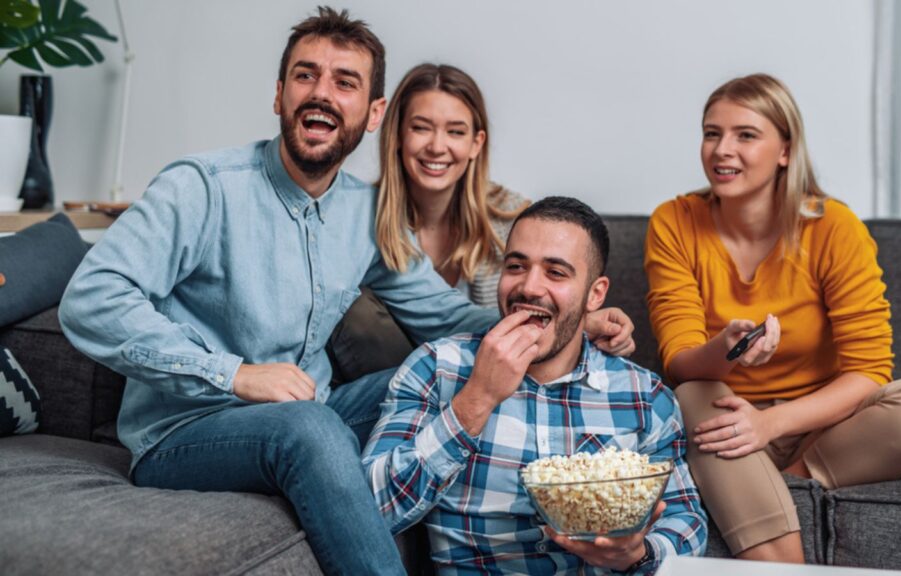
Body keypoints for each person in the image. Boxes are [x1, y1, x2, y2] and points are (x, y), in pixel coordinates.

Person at [57, 8, 633, 576]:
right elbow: (92, 299)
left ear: (374, 111)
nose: (321, 94)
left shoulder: (366, 213)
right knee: (309, 427)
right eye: (306, 76)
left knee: (450, 372)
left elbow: (443, 314)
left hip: (313, 411)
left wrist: (566, 324)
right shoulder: (202, 188)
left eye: (345, 82)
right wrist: (235, 373)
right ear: (279, 94)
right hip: (184, 432)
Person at [644, 73, 901, 563]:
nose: (722, 149)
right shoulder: (674, 222)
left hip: (822, 426)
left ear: (785, 150)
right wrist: (728, 351)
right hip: (728, 421)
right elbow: (681, 365)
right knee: (692, 396)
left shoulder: (834, 227)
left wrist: (773, 425)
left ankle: (778, 485)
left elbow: (869, 370)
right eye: (712, 133)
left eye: (745, 135)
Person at [363, 197, 707, 575]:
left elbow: (685, 518)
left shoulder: (645, 396)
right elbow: (368, 511)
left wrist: (638, 555)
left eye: (556, 273)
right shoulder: (437, 369)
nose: (529, 287)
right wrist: (476, 399)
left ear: (596, 294)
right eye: (516, 266)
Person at [329, 63, 536, 382]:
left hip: (484, 383)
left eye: (455, 132)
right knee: (354, 305)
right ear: (397, 134)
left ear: (476, 143)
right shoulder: (360, 217)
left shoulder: (514, 220)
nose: (437, 147)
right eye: (422, 128)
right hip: (384, 389)